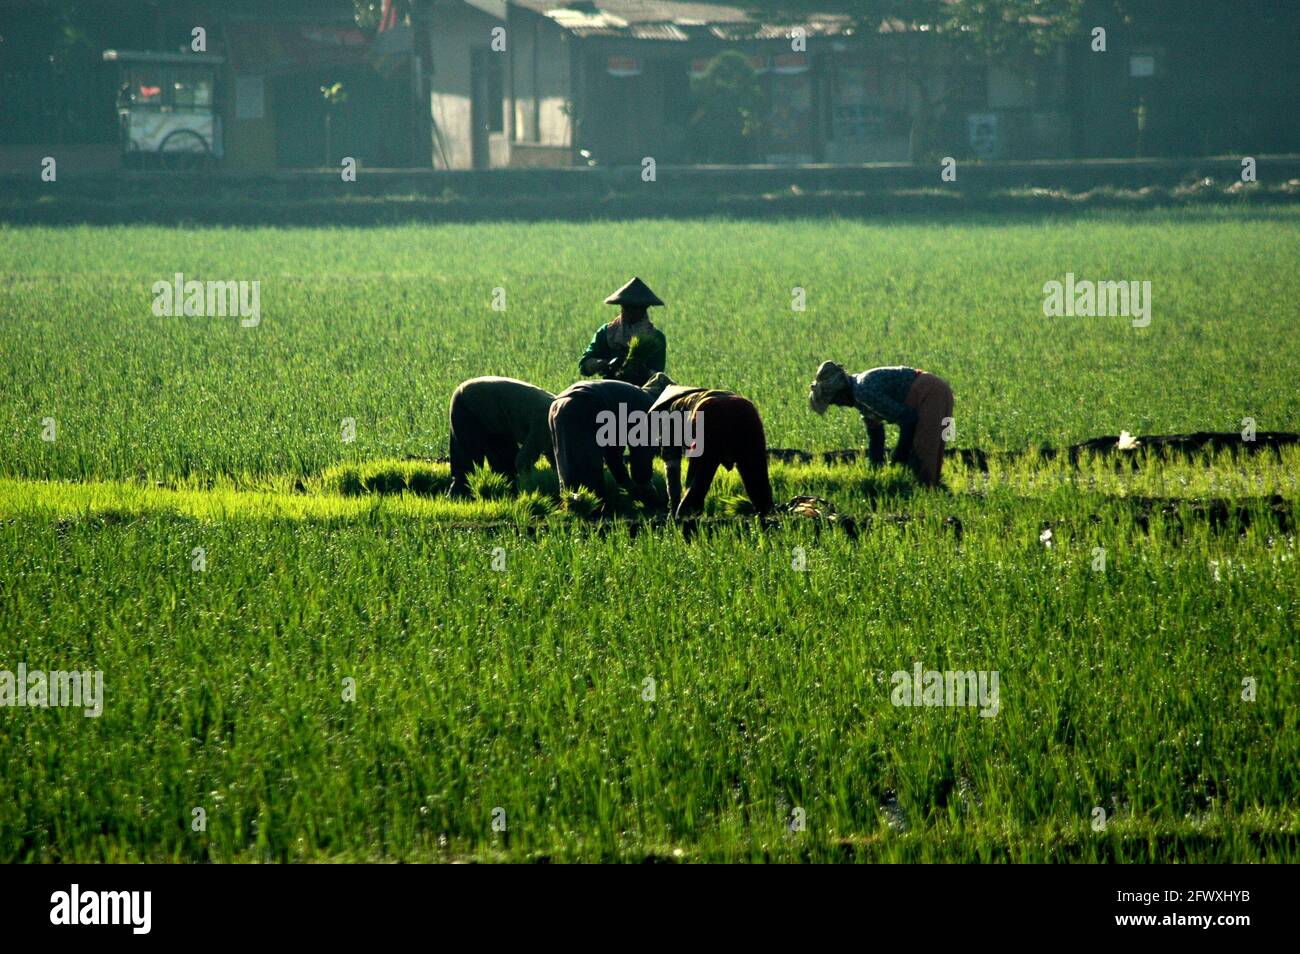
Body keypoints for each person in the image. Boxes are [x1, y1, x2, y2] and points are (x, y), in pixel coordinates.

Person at [642, 373, 774, 518]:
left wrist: (674, 506)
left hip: (710, 411)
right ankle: (767, 517)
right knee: (756, 475)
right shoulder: (695, 396)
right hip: (745, 407)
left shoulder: (670, 409)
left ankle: (684, 523)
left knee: (698, 482)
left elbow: (672, 466)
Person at [808, 361, 954, 487]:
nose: (839, 405)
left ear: (841, 392)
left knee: (924, 451)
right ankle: (930, 489)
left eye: (835, 401)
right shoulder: (861, 402)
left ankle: (930, 494)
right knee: (924, 456)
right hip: (931, 391)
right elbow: (876, 436)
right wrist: (875, 472)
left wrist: (898, 458)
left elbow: (908, 419)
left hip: (931, 392)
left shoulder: (864, 391)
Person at [548, 379, 658, 503]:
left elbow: (613, 454)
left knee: (568, 469)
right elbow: (642, 454)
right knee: (590, 479)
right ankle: (587, 513)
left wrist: (626, 483)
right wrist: (644, 486)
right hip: (585, 403)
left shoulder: (628, 399)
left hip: (558, 404)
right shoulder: (649, 406)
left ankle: (573, 509)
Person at [447, 376, 555, 497]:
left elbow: (556, 457)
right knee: (466, 475)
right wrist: (541, 484)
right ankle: (457, 501)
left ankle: (504, 503)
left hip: (499, 418)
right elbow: (523, 462)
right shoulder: (548, 422)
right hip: (469, 401)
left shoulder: (558, 417)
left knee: (507, 475)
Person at [578, 277, 667, 387]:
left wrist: (641, 370)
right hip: (610, 391)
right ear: (621, 307)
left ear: (644, 308)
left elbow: (657, 375)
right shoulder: (607, 332)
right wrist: (600, 364)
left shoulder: (655, 338)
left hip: (641, 394)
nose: (630, 312)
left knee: (625, 404)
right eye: (626, 308)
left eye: (636, 308)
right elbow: (584, 365)